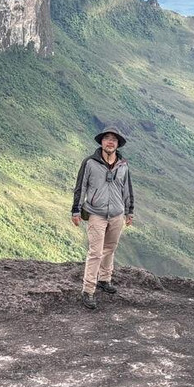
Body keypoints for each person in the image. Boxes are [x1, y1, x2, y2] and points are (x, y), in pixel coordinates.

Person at [71, 127, 134, 309]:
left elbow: (127, 189)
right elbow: (81, 187)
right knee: (96, 252)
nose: (110, 142)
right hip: (96, 214)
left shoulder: (123, 165)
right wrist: (76, 211)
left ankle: (105, 279)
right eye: (107, 138)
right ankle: (88, 290)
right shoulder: (90, 163)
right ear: (101, 142)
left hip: (117, 214)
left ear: (117, 144)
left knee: (110, 248)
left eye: (114, 139)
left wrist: (129, 211)